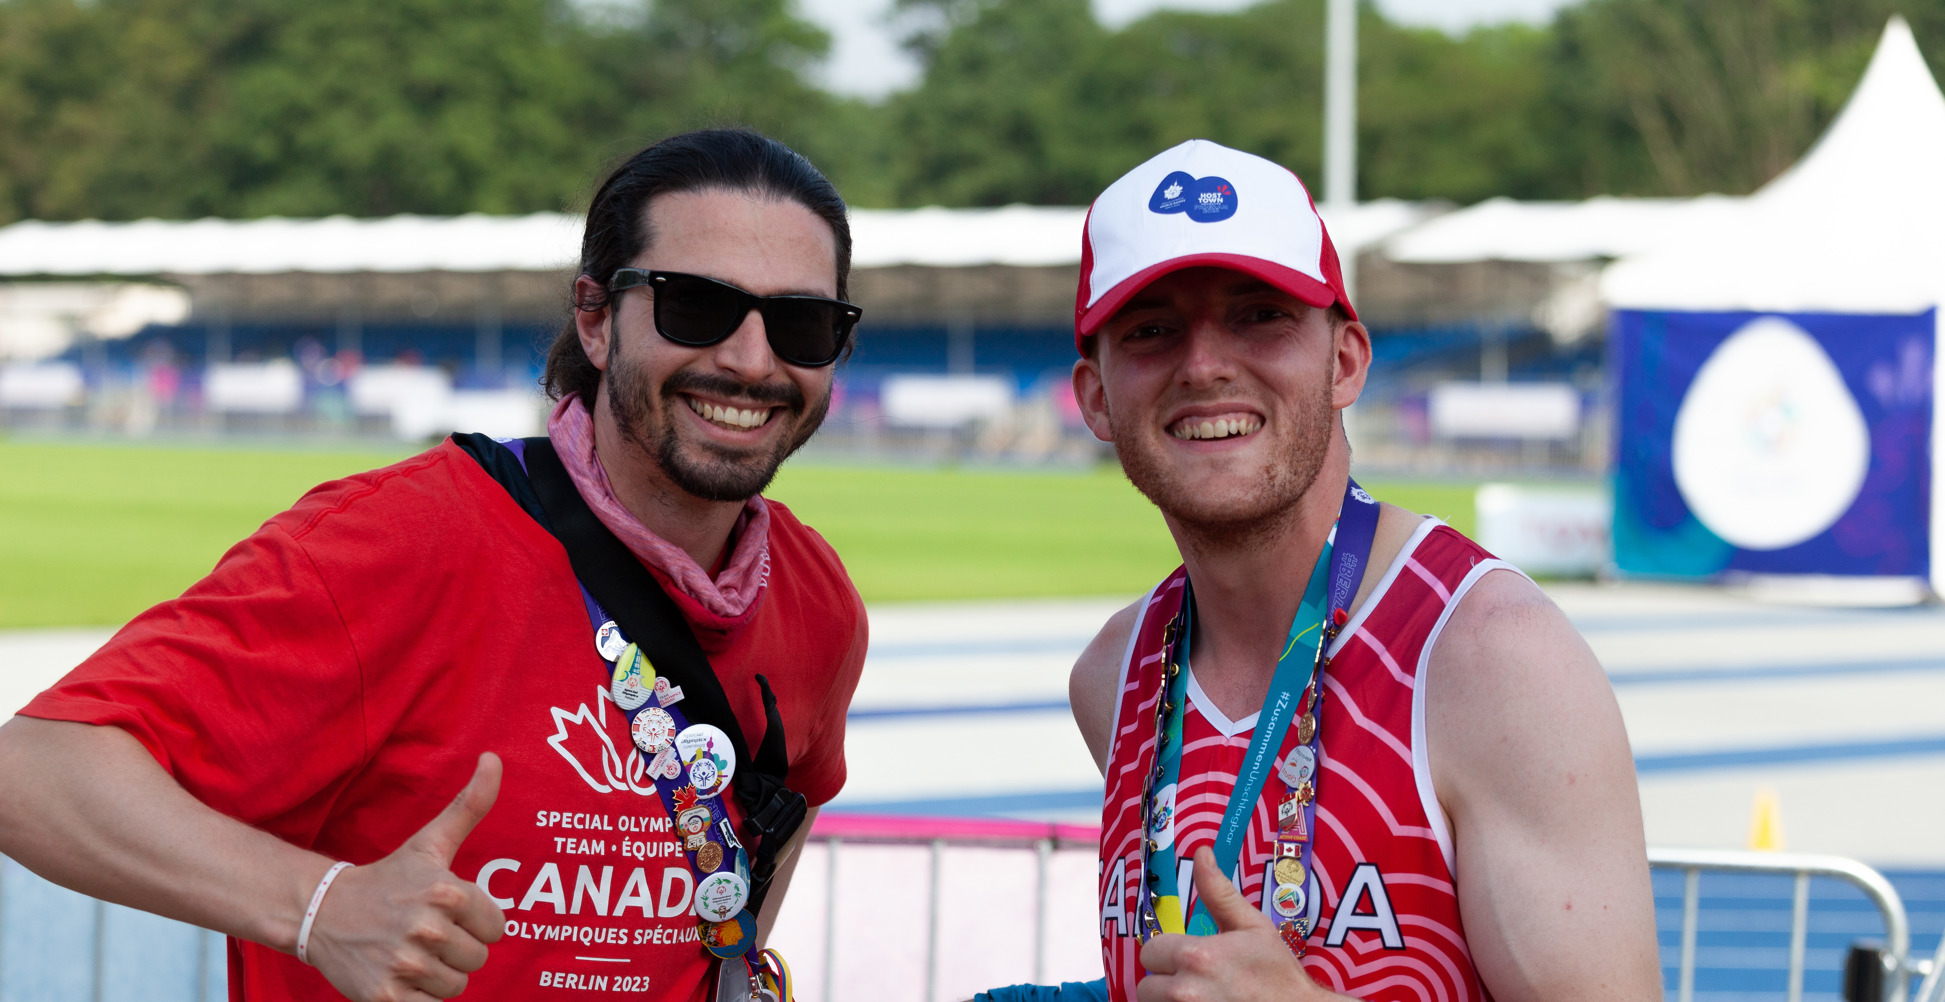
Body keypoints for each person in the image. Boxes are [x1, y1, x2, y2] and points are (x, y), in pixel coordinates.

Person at [0, 129, 868, 1002]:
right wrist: (320, 908)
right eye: (695, 306)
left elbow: (777, 815)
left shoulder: (815, 598)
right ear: (597, 320)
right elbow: (32, 772)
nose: (751, 361)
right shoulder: (400, 542)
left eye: (801, 323)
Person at [988, 139, 1660, 1002]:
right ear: (1092, 397)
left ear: (1344, 361)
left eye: (1258, 316)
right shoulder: (1114, 676)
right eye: (1152, 331)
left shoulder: (1488, 657)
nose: (1204, 365)